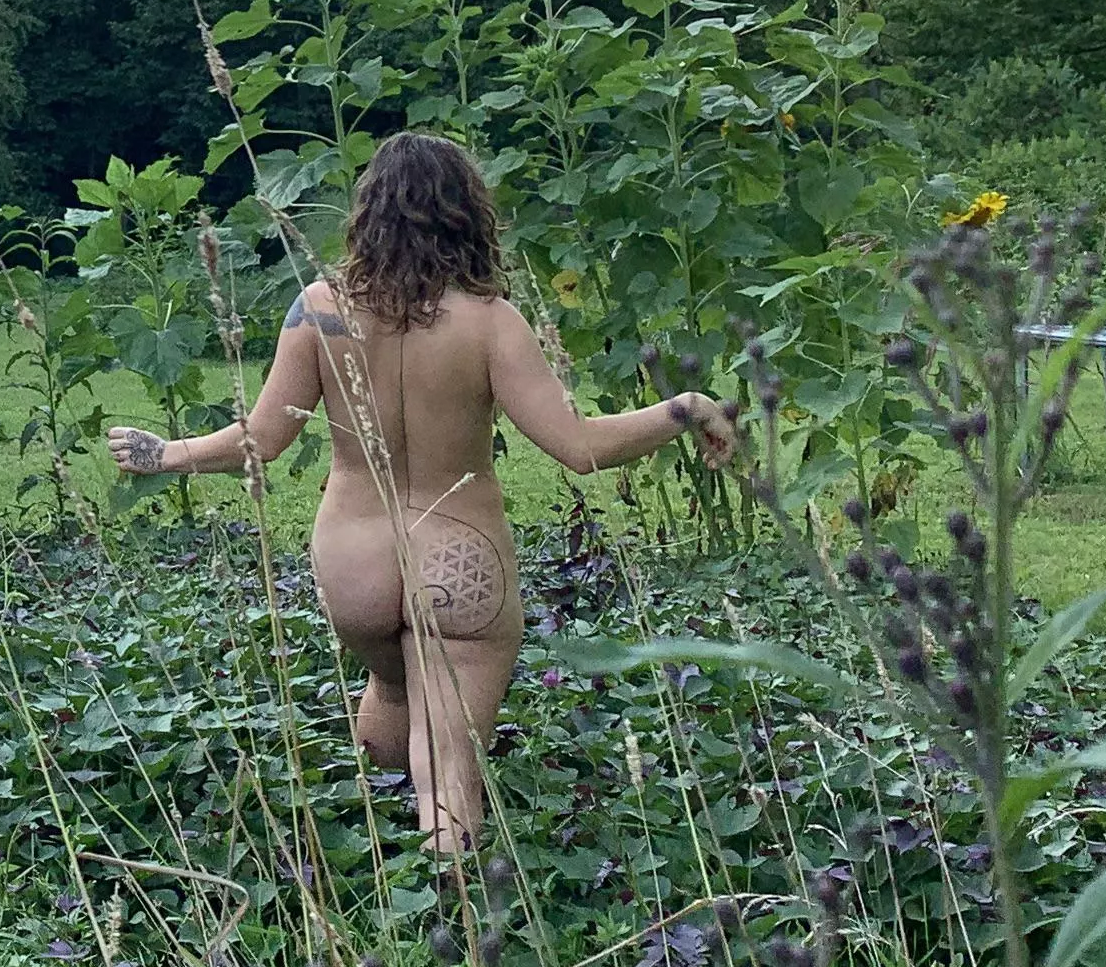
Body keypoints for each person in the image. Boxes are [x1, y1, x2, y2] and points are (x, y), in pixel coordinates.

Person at [103, 133, 740, 855]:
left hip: (353, 563)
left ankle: (370, 870)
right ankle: (450, 892)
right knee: (449, 775)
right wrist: (685, 407)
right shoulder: (490, 321)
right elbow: (580, 447)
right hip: (460, 561)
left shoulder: (319, 309)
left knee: (392, 692)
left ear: (367, 213)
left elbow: (263, 439)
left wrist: (168, 453)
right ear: (468, 213)